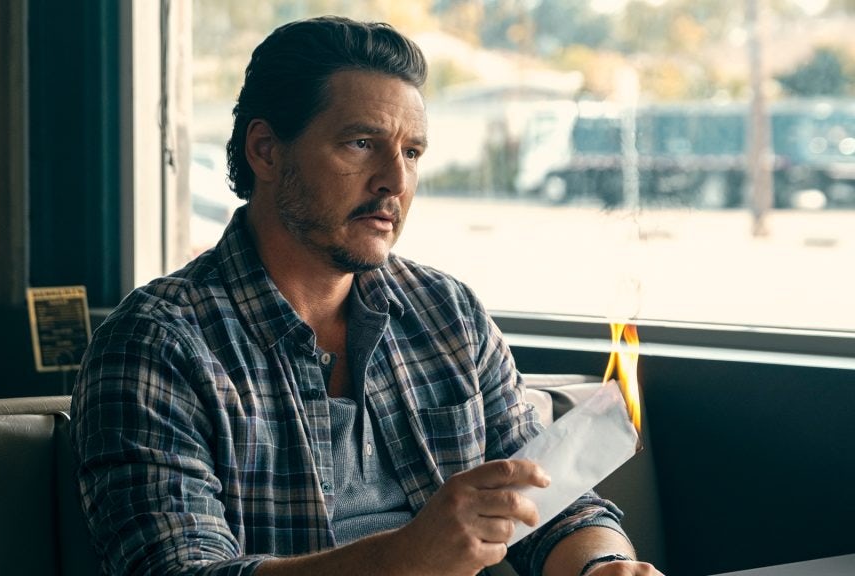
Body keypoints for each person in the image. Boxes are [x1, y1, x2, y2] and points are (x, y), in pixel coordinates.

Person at [71, 15, 662, 576]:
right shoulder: (157, 345)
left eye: (411, 153)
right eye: (361, 144)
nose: (395, 181)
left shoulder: (448, 314)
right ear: (265, 150)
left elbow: (550, 500)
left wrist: (601, 564)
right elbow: (178, 569)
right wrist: (407, 558)